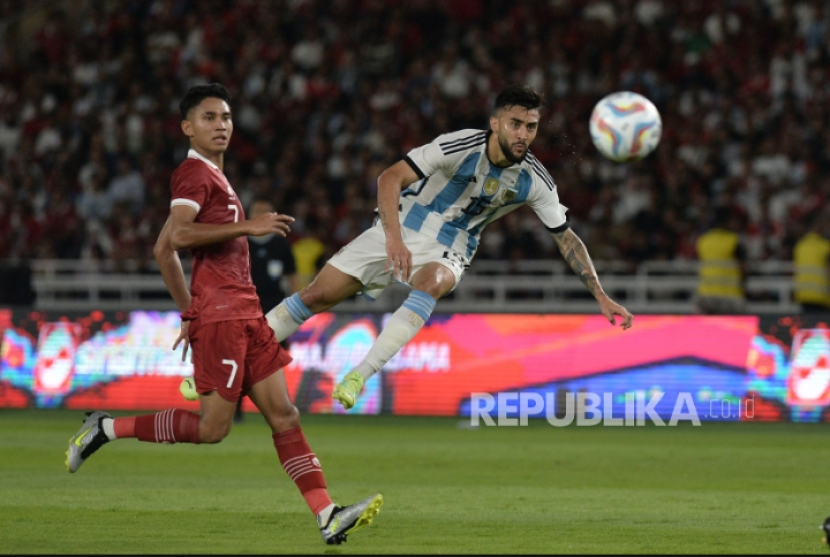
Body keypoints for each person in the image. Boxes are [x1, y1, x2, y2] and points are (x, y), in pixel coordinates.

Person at [65, 83, 382, 546]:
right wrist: (248, 227)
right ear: (187, 127)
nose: (221, 125)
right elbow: (177, 237)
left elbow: (161, 248)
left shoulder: (214, 176)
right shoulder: (193, 174)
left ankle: (327, 514)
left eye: (227, 117)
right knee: (214, 429)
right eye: (210, 117)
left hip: (244, 316)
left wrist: (187, 310)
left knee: (285, 415)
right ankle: (105, 428)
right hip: (225, 319)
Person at [264, 84, 634, 410]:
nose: (523, 134)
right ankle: (224, 364)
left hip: (453, 245)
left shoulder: (535, 180)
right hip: (402, 225)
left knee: (433, 282)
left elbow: (566, 236)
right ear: (495, 123)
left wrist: (599, 295)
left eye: (531, 127)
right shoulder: (459, 145)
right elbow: (390, 177)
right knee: (315, 296)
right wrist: (393, 238)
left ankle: (359, 375)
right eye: (515, 124)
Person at [235, 196, 298, 423]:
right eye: (257, 211)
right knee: (241, 360)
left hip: (275, 314)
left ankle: (279, 408)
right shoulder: (239, 242)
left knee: (273, 360)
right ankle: (237, 409)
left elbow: (292, 278)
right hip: (243, 312)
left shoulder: (282, 244)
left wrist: (295, 311)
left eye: (266, 211)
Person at [695, 208, 747, 315]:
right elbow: (743, 268)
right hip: (730, 296)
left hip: (707, 295)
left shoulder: (703, 240)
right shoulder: (734, 241)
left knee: (709, 330)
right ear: (727, 221)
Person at [792, 211, 830, 313]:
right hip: (822, 297)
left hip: (803, 296)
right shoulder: (825, 247)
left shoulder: (799, 246)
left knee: (808, 327)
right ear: (818, 225)